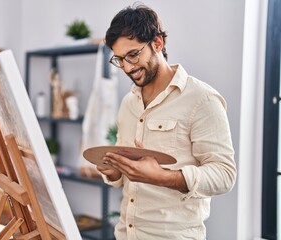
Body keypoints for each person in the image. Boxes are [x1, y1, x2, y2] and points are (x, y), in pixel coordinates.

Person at [97, 3, 237, 240]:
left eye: (133, 55)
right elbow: (123, 174)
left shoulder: (202, 99)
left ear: (157, 43)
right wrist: (113, 172)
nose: (128, 67)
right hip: (125, 234)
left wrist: (161, 177)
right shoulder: (128, 103)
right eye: (120, 59)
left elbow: (224, 175)